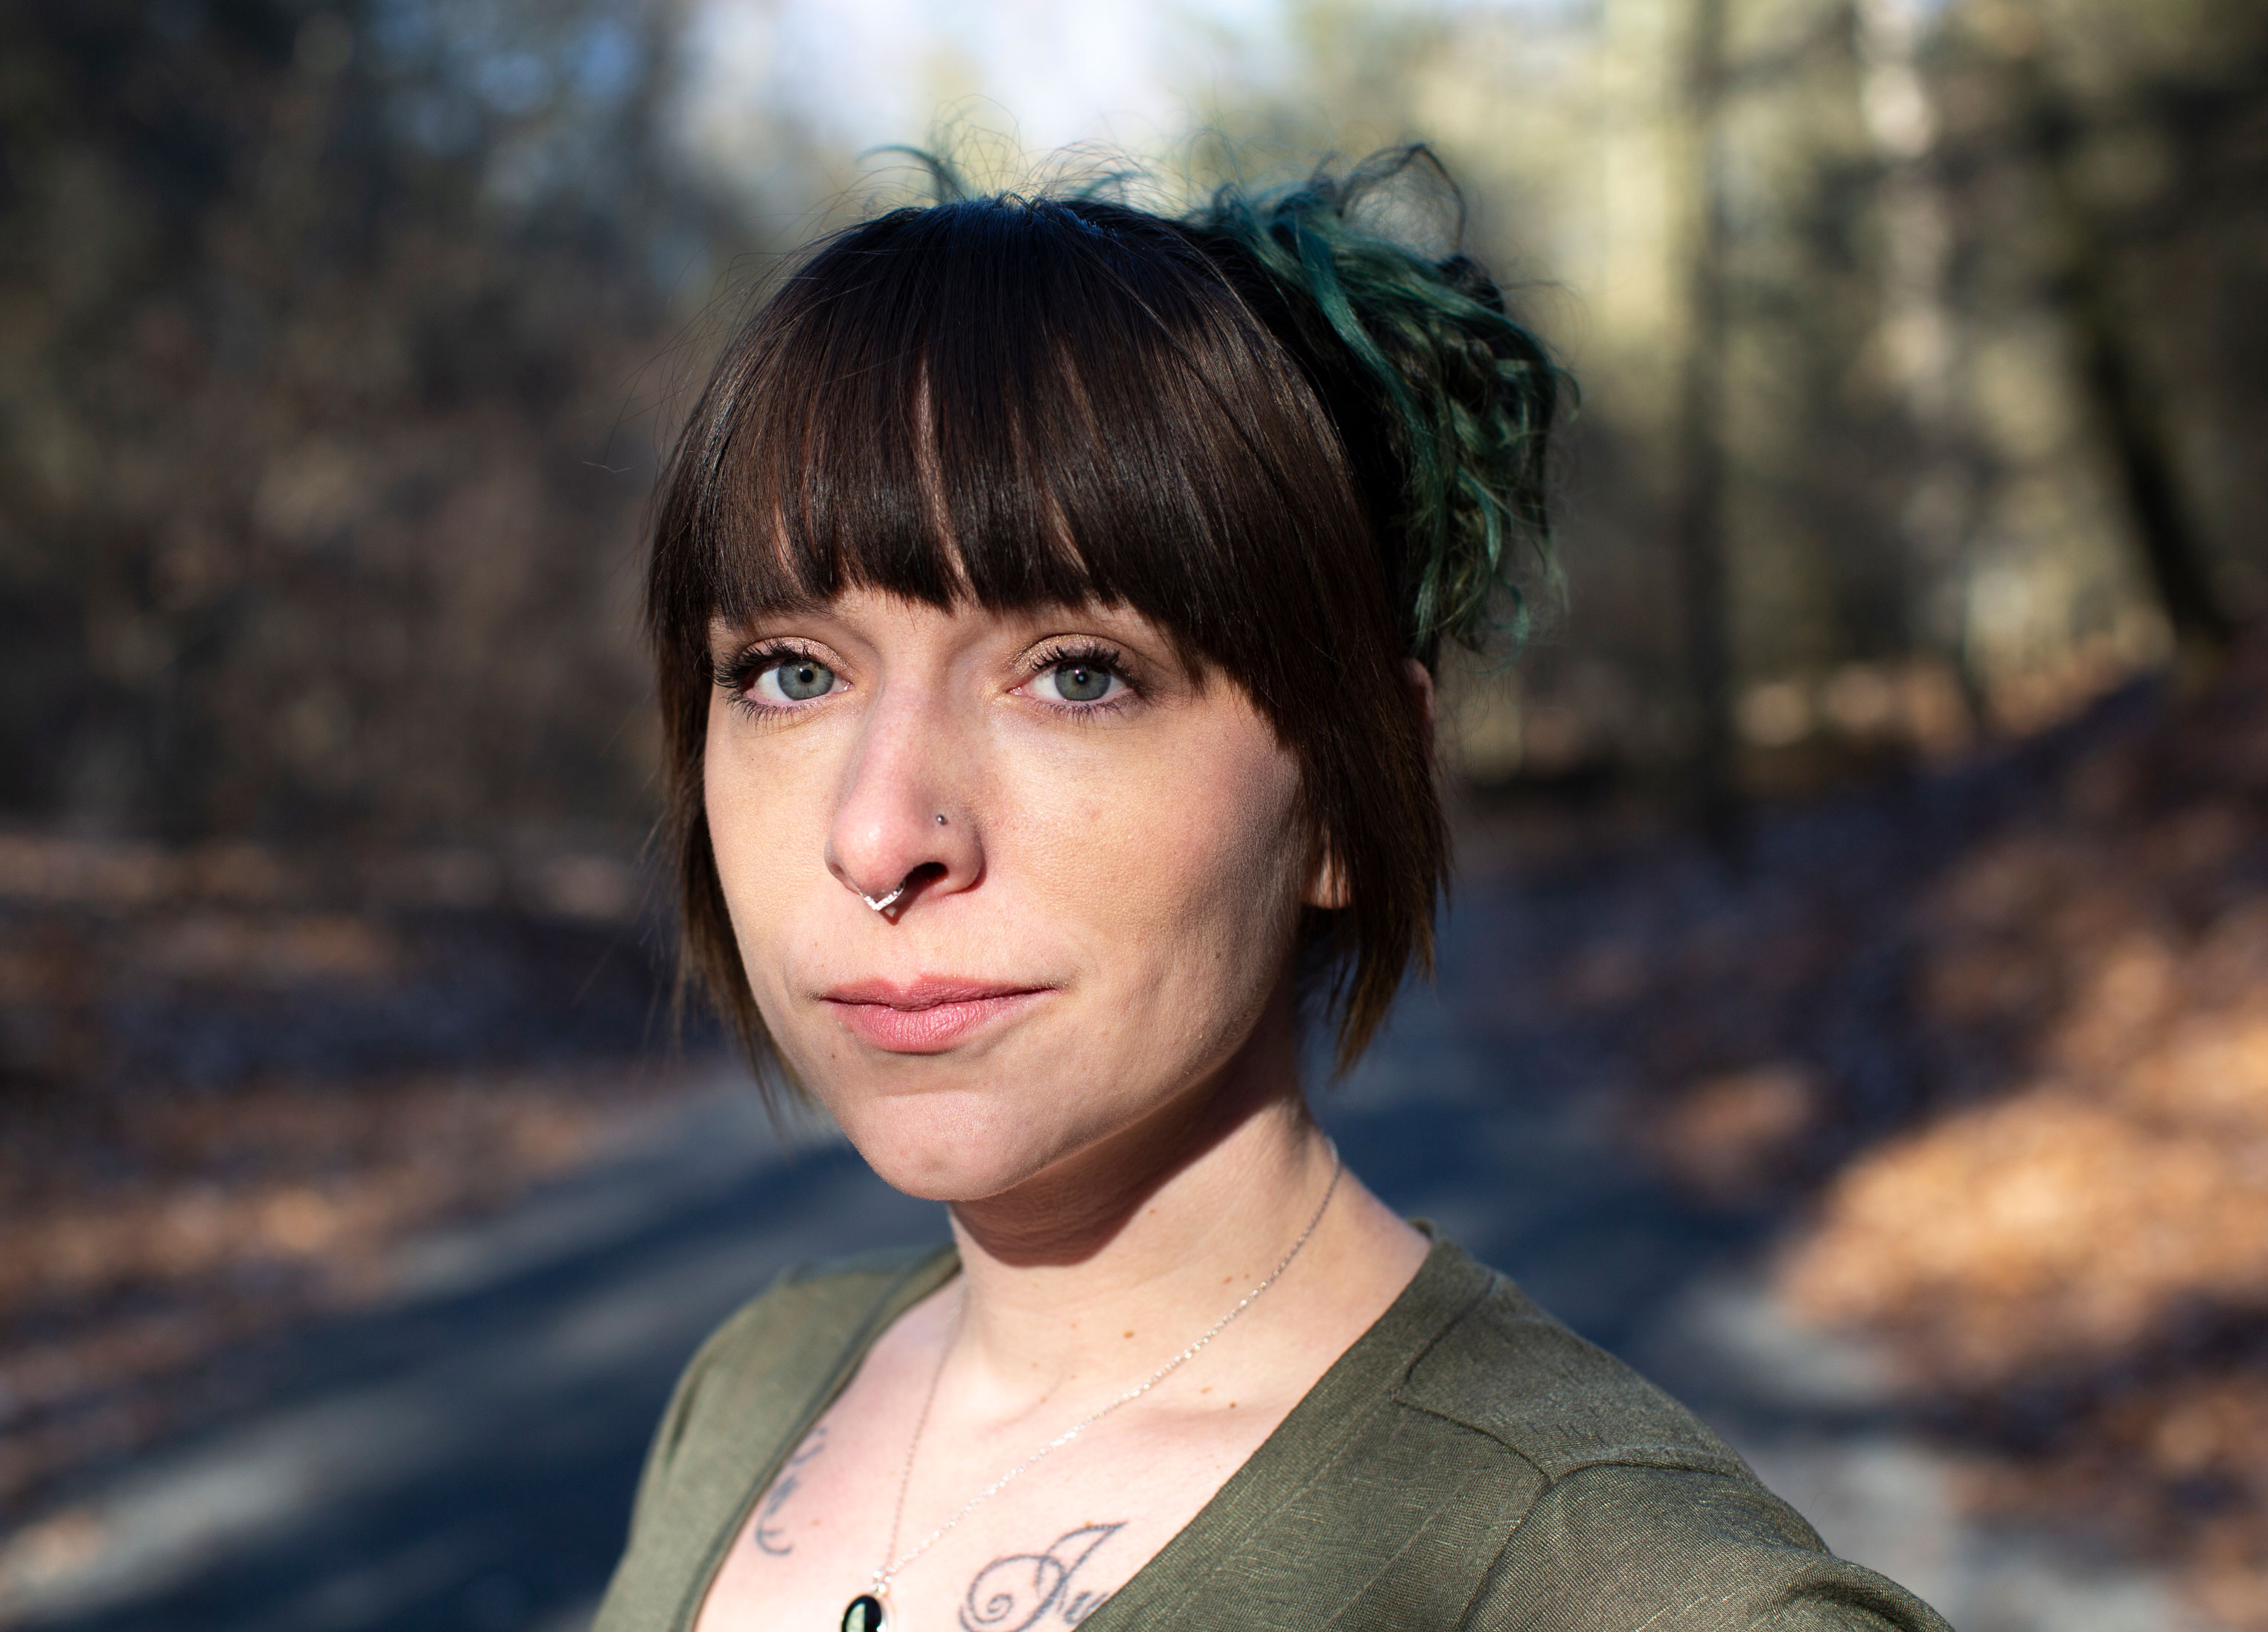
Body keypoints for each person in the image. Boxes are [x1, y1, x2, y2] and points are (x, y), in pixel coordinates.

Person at [597, 148, 1949, 1632]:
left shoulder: (1635, 1598)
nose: (877, 834)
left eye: (1075, 674)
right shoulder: (751, 1388)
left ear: (1350, 783)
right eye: (790, 673)